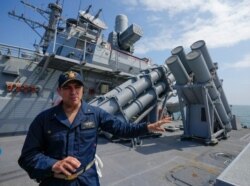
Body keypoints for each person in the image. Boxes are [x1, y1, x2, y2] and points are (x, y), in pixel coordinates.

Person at [18, 71, 171, 186]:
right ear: (59, 91)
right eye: (67, 87)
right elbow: (28, 156)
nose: (73, 91)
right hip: (54, 182)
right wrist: (53, 164)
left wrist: (148, 127)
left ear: (83, 89)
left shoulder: (95, 114)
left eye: (77, 86)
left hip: (87, 181)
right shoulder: (44, 119)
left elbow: (122, 129)